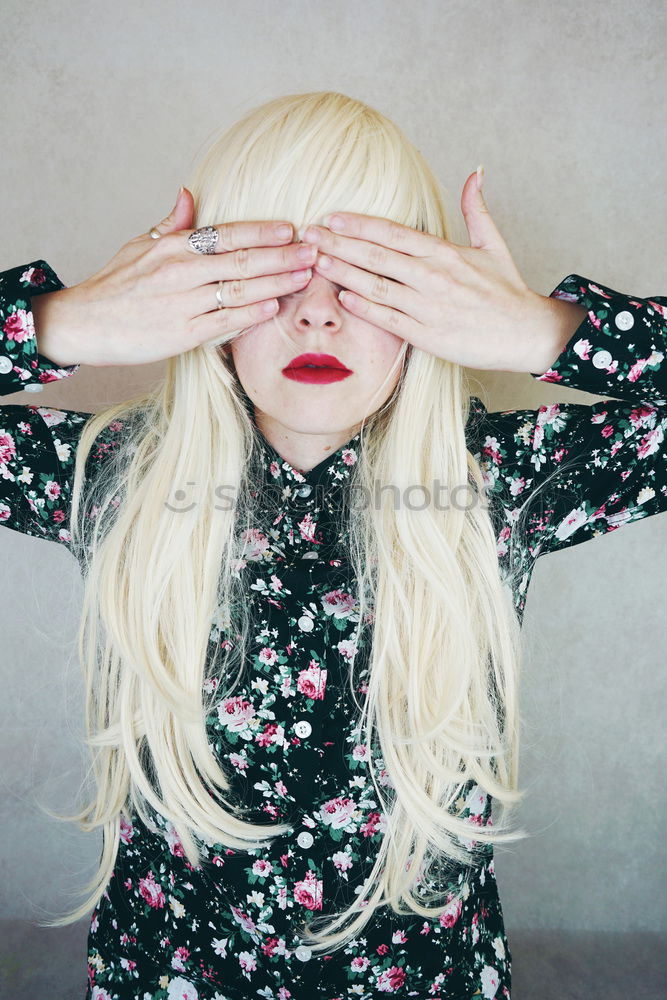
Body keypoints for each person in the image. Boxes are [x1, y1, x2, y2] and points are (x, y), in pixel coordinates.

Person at [1, 90, 665, 1000]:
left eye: (368, 273)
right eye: (272, 270)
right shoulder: (112, 474)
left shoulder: (501, 478)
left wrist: (545, 332)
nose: (317, 314)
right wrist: (59, 324)